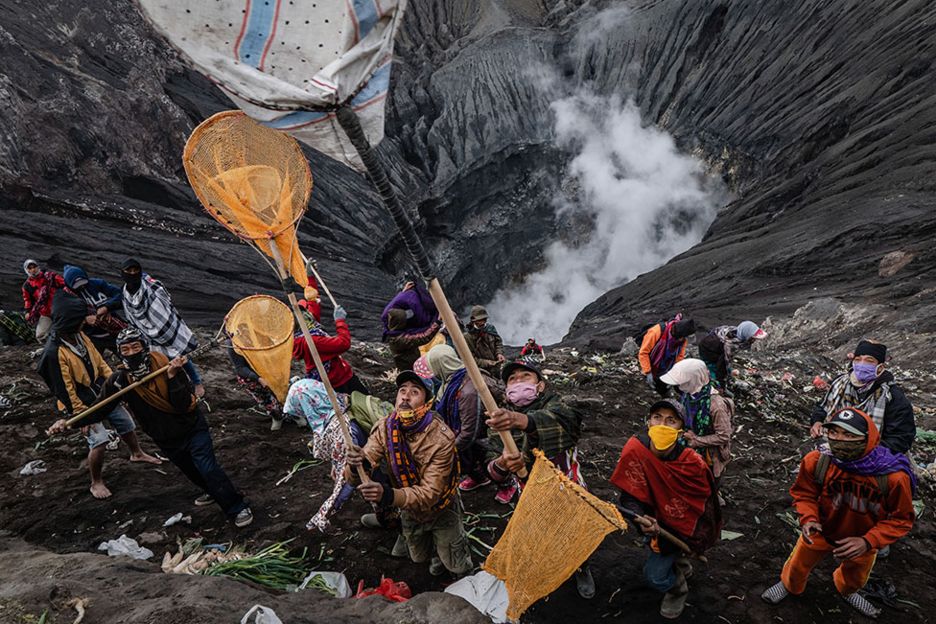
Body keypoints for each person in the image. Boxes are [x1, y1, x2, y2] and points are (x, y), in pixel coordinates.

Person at [48, 327, 254, 527]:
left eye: (135, 347)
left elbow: (183, 404)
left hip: (191, 429)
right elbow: (99, 409)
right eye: (125, 350)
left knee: (208, 468)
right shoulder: (119, 381)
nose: (131, 354)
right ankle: (213, 491)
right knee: (193, 472)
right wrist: (69, 423)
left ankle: (237, 507)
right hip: (165, 438)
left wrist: (173, 377)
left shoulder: (166, 366)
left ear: (144, 347)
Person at [761, 408, 915, 619]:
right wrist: (809, 518)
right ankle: (789, 586)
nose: (840, 440)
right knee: (797, 564)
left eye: (850, 435)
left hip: (862, 539)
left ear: (868, 438)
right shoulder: (817, 461)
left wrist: (868, 541)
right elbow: (804, 493)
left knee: (856, 577)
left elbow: (901, 519)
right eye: (833, 433)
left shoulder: (892, 477)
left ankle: (847, 591)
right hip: (821, 530)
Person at [484, 359, 594, 598]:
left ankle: (581, 566)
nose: (518, 382)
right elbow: (492, 468)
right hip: (529, 494)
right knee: (541, 533)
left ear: (540, 386)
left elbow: (567, 426)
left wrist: (521, 421)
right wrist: (503, 463)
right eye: (512, 379)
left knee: (575, 531)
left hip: (567, 487)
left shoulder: (557, 405)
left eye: (525, 377)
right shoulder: (499, 422)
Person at [345, 371, 471, 577]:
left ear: (426, 402)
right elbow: (356, 473)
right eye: (402, 391)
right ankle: (428, 552)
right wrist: (356, 464)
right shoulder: (385, 427)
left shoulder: (440, 438)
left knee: (455, 563)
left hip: (441, 507)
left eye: (414, 392)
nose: (405, 396)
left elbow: (431, 493)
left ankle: (445, 562)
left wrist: (388, 495)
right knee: (418, 556)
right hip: (408, 506)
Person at [37, 294, 161, 499]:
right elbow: (64, 389)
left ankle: (137, 453)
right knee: (100, 440)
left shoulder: (80, 336)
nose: (85, 321)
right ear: (69, 321)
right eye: (80, 319)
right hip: (78, 400)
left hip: (99, 390)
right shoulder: (54, 353)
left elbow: (99, 361)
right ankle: (96, 481)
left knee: (125, 422)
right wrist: (81, 415)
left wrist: (113, 383)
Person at [611, 399, 722, 619]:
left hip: (678, 529)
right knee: (657, 549)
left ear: (681, 430)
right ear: (648, 422)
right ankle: (680, 566)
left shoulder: (692, 463)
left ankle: (677, 588)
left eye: (671, 420)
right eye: (657, 418)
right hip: (651, 522)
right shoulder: (636, 449)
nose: (663, 424)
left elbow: (702, 504)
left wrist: (693, 538)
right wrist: (641, 518)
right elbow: (629, 495)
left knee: (654, 576)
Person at [282, 378, 392, 532]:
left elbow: (345, 481)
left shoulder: (340, 429)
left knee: (381, 491)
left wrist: (325, 513)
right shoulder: (340, 410)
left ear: (310, 406)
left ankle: (393, 521)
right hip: (374, 468)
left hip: (374, 477)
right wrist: (337, 464)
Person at [809, 340, 914, 455]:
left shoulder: (892, 396)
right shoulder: (839, 384)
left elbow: (901, 438)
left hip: (873, 456)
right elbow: (822, 407)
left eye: (869, 361)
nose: (861, 365)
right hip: (834, 448)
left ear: (880, 367)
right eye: (858, 360)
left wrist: (862, 452)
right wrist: (817, 421)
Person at [422, 344, 504, 492]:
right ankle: (479, 477)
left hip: (483, 434)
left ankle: (506, 485)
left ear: (441, 366)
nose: (433, 372)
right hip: (465, 431)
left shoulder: (467, 392)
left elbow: (469, 431)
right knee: (471, 458)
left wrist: (451, 448)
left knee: (485, 458)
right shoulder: (452, 379)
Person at [120, 259, 205, 398]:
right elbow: (130, 313)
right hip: (146, 332)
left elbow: (164, 304)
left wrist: (162, 329)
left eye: (135, 270)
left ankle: (196, 382)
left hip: (164, 327)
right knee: (159, 360)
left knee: (179, 354)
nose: (133, 273)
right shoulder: (125, 292)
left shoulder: (151, 288)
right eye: (129, 271)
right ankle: (172, 385)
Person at [660, 359, 733, 481]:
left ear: (692, 381)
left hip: (709, 456)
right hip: (689, 448)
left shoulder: (716, 405)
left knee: (706, 486)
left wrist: (696, 440)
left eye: (681, 382)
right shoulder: (689, 395)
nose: (678, 386)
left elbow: (724, 436)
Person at [292, 302, 370, 395]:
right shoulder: (313, 341)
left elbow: (314, 317)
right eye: (306, 314)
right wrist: (340, 321)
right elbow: (343, 344)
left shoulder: (300, 338)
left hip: (331, 379)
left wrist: (312, 299)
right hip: (339, 381)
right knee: (361, 402)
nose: (309, 314)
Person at [62, 264, 126, 355]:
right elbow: (65, 319)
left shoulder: (97, 284)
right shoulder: (66, 298)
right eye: (77, 285)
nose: (82, 287)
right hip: (91, 337)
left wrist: (107, 307)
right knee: (95, 365)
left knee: (126, 357)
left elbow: (119, 294)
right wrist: (84, 320)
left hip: (114, 331)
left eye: (83, 283)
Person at [226, 330, 283, 431]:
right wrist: (259, 379)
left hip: (268, 369)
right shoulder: (232, 344)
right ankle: (277, 417)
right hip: (250, 377)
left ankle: (294, 414)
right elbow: (240, 368)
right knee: (266, 400)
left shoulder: (258, 336)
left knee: (281, 392)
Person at [638, 316, 696, 397]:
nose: (684, 340)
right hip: (652, 363)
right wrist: (648, 372)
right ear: (677, 334)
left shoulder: (682, 340)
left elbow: (679, 357)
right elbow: (643, 353)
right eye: (682, 338)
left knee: (664, 389)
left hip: (665, 367)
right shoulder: (656, 332)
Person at [697, 321, 766, 389]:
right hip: (707, 350)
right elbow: (722, 363)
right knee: (713, 370)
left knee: (725, 366)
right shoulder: (729, 345)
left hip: (715, 345)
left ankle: (725, 375)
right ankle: (712, 386)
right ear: (747, 336)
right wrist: (722, 385)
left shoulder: (737, 332)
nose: (754, 341)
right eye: (752, 338)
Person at [22, 258, 65, 342]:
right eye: (30, 268)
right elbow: (28, 300)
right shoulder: (26, 286)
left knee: (67, 329)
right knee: (40, 335)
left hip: (59, 308)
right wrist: (28, 311)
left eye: (34, 267)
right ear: (26, 270)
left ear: (38, 267)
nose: (33, 270)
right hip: (45, 312)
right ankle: (52, 346)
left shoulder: (50, 276)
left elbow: (64, 283)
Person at [464, 305, 505, 376]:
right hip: (482, 373)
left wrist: (499, 353)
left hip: (497, 368)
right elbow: (471, 359)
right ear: (474, 320)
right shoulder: (468, 337)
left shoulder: (490, 329)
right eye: (480, 320)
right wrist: (489, 363)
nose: (483, 322)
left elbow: (498, 342)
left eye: (484, 319)